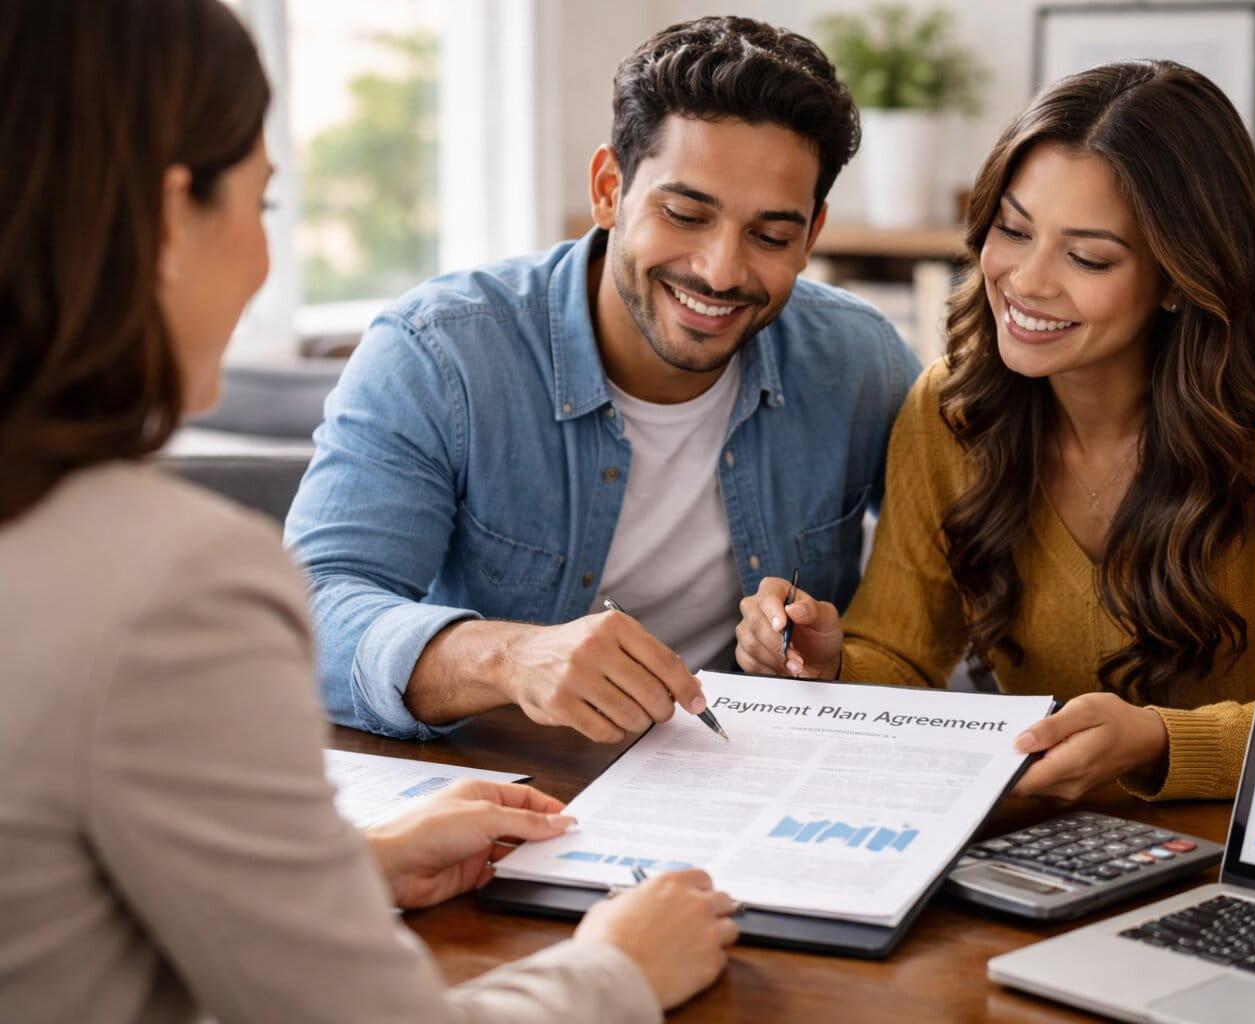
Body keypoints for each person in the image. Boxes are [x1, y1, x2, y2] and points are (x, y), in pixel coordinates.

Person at [0, 1, 736, 1020]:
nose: (263, 261)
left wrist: (343, 864)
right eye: (261, 208)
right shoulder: (171, 581)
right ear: (172, 219)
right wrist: (619, 967)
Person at [735, 61, 1255, 803]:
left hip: (1246, 851)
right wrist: (828, 660)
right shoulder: (953, 409)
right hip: (1040, 854)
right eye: (1012, 230)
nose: (1026, 281)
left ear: (1182, 278)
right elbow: (900, 656)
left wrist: (1160, 742)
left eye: (1088, 257)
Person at [283, 16, 922, 743]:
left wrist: (839, 659)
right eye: (685, 213)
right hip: (499, 795)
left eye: (771, 236)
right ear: (609, 188)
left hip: (750, 796)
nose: (719, 271)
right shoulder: (440, 354)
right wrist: (511, 659)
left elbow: (978, 559)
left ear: (811, 237)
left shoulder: (859, 361)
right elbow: (305, 616)